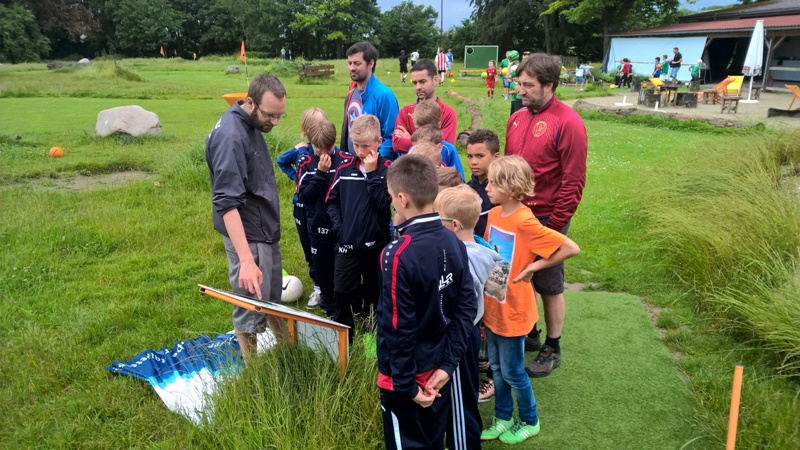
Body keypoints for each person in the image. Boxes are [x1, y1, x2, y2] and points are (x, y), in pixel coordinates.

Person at [378, 154, 477, 450]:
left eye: (391, 196)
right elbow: (466, 308)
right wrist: (448, 365)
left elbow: (398, 326)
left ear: (402, 198)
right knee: (433, 440)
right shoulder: (455, 241)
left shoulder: (397, 254)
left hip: (406, 378)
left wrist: (406, 386)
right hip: (439, 371)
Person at [480, 155, 580, 444]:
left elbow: (570, 247)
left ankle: (530, 420)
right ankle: (503, 418)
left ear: (512, 189)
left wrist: (533, 267)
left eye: (493, 183)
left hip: (514, 312)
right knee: (496, 368)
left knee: (513, 371)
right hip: (493, 305)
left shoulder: (525, 221)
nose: (486, 187)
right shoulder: (494, 214)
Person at [504, 53, 587, 378]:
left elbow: (573, 181)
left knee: (549, 282)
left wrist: (553, 227)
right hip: (517, 214)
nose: (521, 90)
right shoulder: (517, 117)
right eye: (519, 83)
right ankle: (531, 332)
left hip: (547, 217)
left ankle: (553, 346)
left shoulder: (569, 123)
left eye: (528, 85)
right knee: (519, 276)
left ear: (549, 85)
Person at [204, 74, 288, 365]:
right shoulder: (231, 136)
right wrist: (246, 261)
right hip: (248, 233)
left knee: (270, 298)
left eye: (280, 116)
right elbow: (227, 203)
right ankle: (253, 373)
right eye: (270, 115)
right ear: (250, 102)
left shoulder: (249, 121)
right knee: (250, 306)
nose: (275, 122)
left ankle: (287, 352)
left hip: (263, 229)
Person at [435, 184, 503, 450]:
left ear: (453, 225)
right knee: (459, 395)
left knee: (460, 403)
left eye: (437, 218)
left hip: (459, 336)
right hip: (468, 332)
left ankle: (464, 444)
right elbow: (496, 289)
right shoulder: (481, 251)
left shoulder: (462, 258)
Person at [326, 114, 392, 334]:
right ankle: (346, 336)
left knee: (374, 293)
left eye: (366, 146)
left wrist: (372, 175)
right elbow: (331, 201)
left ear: (379, 142)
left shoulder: (387, 170)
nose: (361, 152)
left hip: (376, 246)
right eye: (356, 145)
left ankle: (371, 332)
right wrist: (340, 229)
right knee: (341, 291)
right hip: (347, 244)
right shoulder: (344, 169)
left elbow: (383, 205)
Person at [276, 107, 329, 309]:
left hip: (323, 207)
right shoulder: (301, 150)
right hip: (302, 206)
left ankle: (331, 284)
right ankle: (318, 288)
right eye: (312, 129)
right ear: (306, 132)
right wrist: (297, 178)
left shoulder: (328, 151)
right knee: (309, 247)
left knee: (325, 246)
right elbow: (281, 161)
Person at [296, 119, 346, 317]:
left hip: (341, 228)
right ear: (311, 144)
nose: (324, 154)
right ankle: (328, 307)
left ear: (335, 141)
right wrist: (320, 173)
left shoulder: (345, 160)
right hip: (317, 228)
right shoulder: (306, 163)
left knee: (342, 273)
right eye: (318, 149)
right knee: (323, 272)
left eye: (329, 148)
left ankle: (345, 308)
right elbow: (305, 196)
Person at [465, 129, 501, 402]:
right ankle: (483, 361)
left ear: (495, 157)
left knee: (494, 318)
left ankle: (493, 377)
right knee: (479, 316)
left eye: (480, 156)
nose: (473, 162)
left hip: (496, 264)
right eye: (469, 156)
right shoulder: (468, 187)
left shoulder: (500, 191)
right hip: (474, 261)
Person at [341, 41, 400, 161]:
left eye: (357, 63)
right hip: (353, 164)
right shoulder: (351, 93)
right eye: (350, 63)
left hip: (375, 167)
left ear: (371, 63)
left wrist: (375, 163)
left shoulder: (384, 95)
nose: (352, 68)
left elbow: (391, 137)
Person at [392, 60, 458, 155]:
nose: (418, 87)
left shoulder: (448, 113)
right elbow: (397, 144)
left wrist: (412, 140)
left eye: (422, 81)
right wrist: (429, 143)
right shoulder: (405, 112)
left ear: (435, 80)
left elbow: (444, 148)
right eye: (415, 83)